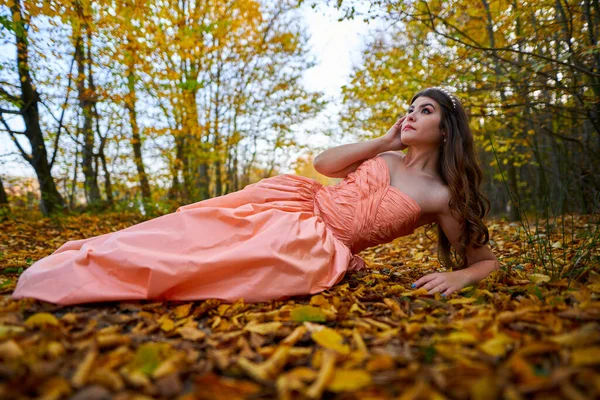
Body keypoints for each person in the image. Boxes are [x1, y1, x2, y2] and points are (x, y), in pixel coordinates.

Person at [12, 87, 499, 306]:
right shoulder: (388, 156)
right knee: (187, 229)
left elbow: (484, 260)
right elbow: (325, 165)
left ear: (446, 127)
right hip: (291, 203)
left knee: (205, 266)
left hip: (313, 246)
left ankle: (96, 280)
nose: (411, 115)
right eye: (409, 108)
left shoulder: (442, 196)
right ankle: (91, 257)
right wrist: (384, 141)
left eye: (425, 110)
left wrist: (460, 277)